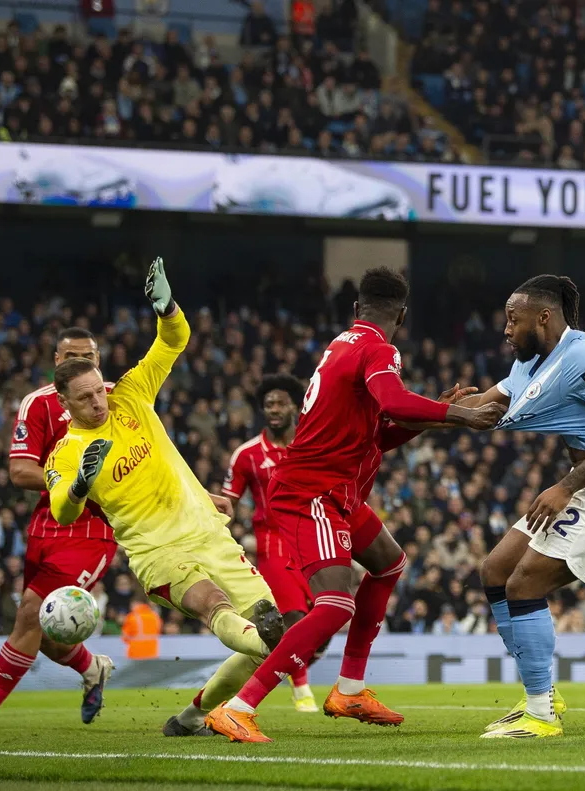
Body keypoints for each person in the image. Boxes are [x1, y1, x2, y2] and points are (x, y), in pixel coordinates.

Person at [205, 267, 504, 743]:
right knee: (335, 604)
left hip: (337, 492)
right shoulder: (377, 349)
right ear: (401, 316)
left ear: (356, 309)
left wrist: (439, 418)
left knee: (389, 563)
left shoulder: (340, 346)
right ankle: (240, 706)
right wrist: (461, 415)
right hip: (314, 493)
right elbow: (396, 401)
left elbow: (378, 434)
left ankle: (349, 688)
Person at [43, 258, 287, 739]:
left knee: (275, 633)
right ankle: (272, 666)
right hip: (156, 552)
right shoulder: (64, 454)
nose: (100, 401)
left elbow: (173, 340)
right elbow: (61, 508)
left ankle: (193, 718)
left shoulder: (130, 395)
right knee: (216, 606)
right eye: (87, 397)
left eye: (100, 390)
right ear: (65, 403)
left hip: (207, 532)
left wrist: (167, 308)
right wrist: (77, 487)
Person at [470, 274, 585, 739]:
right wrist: (438, 410)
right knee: (495, 569)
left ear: (544, 317)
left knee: (525, 582)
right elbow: (482, 406)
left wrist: (566, 487)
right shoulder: (530, 363)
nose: (506, 329)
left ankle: (540, 714)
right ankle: (542, 694)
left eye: (514, 319)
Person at [0, 328, 117, 730]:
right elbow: (20, 470)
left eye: (89, 357)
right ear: (57, 362)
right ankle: (92, 667)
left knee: (28, 614)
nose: (81, 363)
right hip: (47, 524)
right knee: (44, 629)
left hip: (93, 528)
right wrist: (73, 480)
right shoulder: (38, 403)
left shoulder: (120, 398)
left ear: (98, 359)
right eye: (71, 356)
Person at [222, 374, 319, 713]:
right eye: (268, 405)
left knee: (327, 616)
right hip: (272, 543)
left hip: (311, 536)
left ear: (295, 405)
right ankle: (302, 688)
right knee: (293, 615)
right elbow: (227, 503)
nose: (273, 410)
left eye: (280, 403)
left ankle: (291, 665)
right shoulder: (246, 454)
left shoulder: (310, 444)